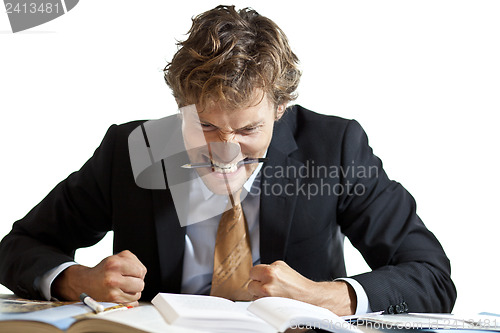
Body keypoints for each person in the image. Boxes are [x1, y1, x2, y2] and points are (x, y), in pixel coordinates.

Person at [0, 5, 456, 316]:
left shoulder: (335, 148)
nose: (225, 150)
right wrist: (77, 279)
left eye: (247, 130)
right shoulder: (130, 149)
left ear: (280, 110)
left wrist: (327, 296)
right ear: (180, 106)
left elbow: (431, 276)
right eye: (205, 127)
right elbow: (18, 247)